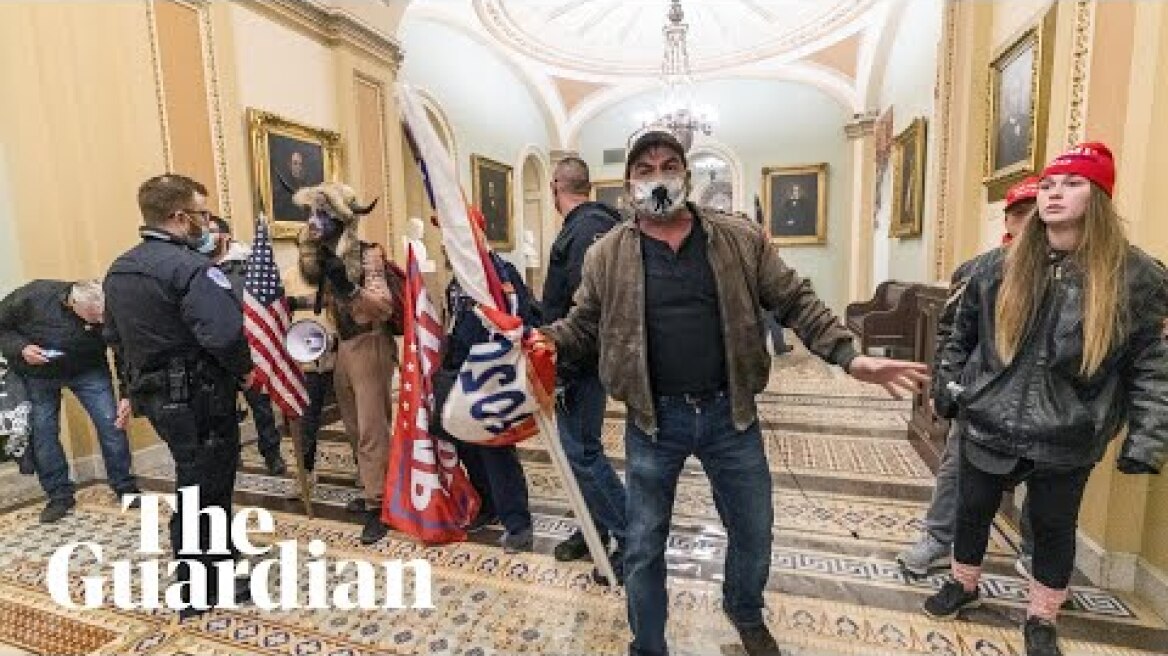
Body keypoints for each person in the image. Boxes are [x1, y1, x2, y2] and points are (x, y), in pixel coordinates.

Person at [535, 130, 929, 656]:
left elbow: (793, 298)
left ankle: (744, 607)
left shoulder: (736, 238)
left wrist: (848, 355)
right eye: (645, 169)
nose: (658, 177)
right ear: (629, 184)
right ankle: (647, 642)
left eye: (668, 165)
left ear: (687, 176)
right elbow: (584, 324)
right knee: (644, 544)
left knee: (754, 527)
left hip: (731, 415)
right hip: (653, 423)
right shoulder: (608, 254)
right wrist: (545, 340)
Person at [924, 142, 1168, 656]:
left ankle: (1042, 615)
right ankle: (963, 584)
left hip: (1068, 432)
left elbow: (1150, 364)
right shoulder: (994, 267)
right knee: (972, 512)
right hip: (989, 421)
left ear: (1099, 197)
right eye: (1050, 184)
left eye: (1074, 183)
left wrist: (1146, 438)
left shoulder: (1136, 276)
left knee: (1053, 527)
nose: (1055, 193)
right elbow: (957, 334)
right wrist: (949, 389)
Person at [103, 174, 256, 618]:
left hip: (157, 398)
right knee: (203, 487)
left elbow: (115, 339)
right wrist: (245, 374)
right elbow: (225, 335)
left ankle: (220, 566)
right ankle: (197, 586)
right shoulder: (192, 268)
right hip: (199, 396)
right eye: (202, 214)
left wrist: (128, 391)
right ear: (178, 216)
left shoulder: (119, 268)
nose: (207, 224)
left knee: (196, 477)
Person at [897, 176, 1039, 577]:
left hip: (1044, 399)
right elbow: (952, 332)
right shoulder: (979, 270)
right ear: (1008, 222)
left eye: (1037, 215)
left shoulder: (1071, 271)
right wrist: (946, 386)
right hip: (983, 393)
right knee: (956, 468)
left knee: (1046, 483)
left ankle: (1035, 553)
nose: (1030, 224)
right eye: (1020, 215)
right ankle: (938, 540)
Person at [294, 182, 400, 545]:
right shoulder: (325, 257)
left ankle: (379, 505)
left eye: (324, 214)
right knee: (354, 426)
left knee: (372, 428)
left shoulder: (369, 255)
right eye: (313, 213)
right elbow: (323, 297)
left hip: (370, 342)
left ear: (341, 218)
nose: (315, 221)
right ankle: (373, 486)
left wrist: (348, 287)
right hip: (342, 345)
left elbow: (383, 305)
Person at [541, 156, 627, 577]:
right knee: (578, 453)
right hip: (583, 359)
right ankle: (592, 528)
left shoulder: (581, 233)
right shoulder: (602, 223)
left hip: (579, 363)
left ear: (557, 185)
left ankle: (629, 536)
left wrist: (565, 370)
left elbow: (585, 310)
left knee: (583, 453)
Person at [0, 279, 140, 523]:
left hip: (89, 370)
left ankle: (125, 486)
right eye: (93, 318)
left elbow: (122, 351)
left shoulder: (107, 311)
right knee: (43, 433)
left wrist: (127, 393)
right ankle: (59, 495)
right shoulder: (33, 296)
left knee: (111, 423)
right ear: (73, 303)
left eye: (102, 318)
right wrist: (21, 348)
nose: (99, 323)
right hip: (38, 374)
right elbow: (2, 328)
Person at [436, 246, 540, 554]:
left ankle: (518, 524)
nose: (446, 246)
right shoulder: (457, 279)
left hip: (489, 371)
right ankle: (489, 503)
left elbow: (520, 317)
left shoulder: (500, 272)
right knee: (466, 443)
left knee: (496, 450)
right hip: (460, 369)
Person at [206, 216, 286, 476]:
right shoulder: (197, 267)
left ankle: (271, 453)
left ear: (226, 236)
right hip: (214, 349)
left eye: (213, 232)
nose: (208, 236)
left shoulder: (248, 266)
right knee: (221, 409)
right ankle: (231, 456)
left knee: (261, 407)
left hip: (248, 346)